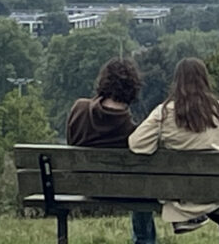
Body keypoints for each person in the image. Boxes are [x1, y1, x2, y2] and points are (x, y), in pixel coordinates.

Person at [128, 57, 219, 244]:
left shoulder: (164, 112)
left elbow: (136, 144)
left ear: (176, 82)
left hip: (182, 196)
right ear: (206, 80)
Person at [66, 57, 157, 244]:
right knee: (143, 187)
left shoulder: (78, 109)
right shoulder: (132, 132)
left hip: (84, 185)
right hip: (122, 190)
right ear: (133, 90)